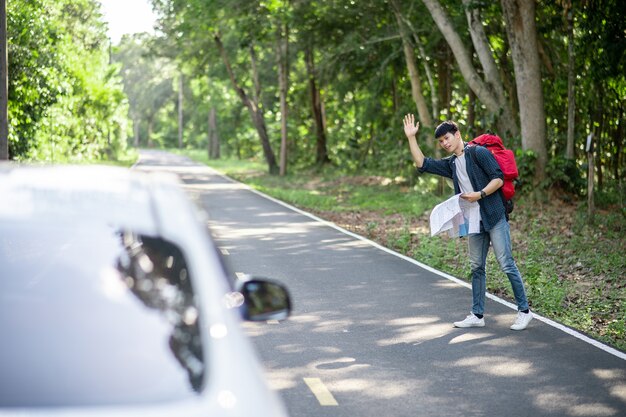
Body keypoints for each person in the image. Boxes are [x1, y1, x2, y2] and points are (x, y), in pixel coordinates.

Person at [402, 114, 532, 330]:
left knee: (506, 263)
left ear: (457, 134)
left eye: (447, 138)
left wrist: (479, 194)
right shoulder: (452, 163)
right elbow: (423, 164)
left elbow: (498, 178)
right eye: (441, 141)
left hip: (494, 214)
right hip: (474, 221)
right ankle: (477, 314)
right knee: (476, 267)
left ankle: (524, 311)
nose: (444, 143)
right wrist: (411, 138)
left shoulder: (478, 153)